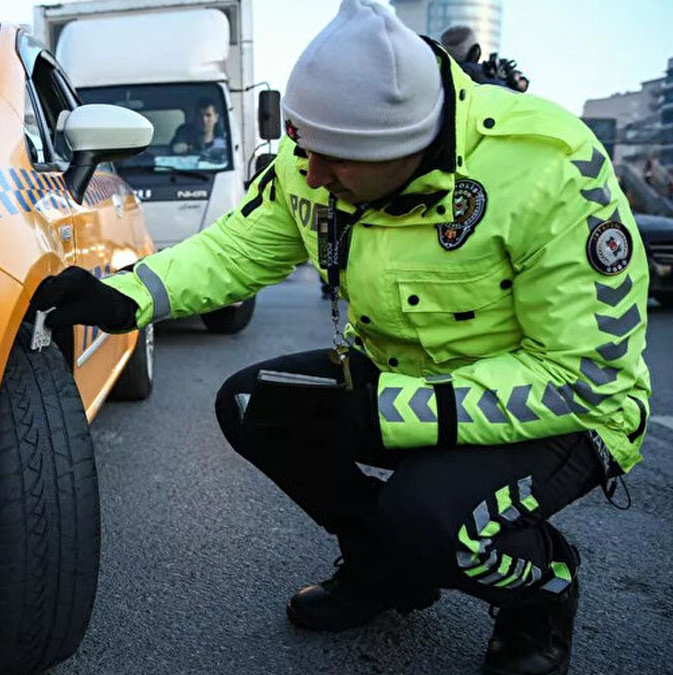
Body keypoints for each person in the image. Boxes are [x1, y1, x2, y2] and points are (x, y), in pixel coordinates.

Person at [33, 2, 651, 674]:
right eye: (304, 145)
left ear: (407, 150)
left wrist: (396, 409)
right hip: (397, 380)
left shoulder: (550, 168)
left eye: (337, 160)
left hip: (560, 416)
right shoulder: (317, 154)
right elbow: (236, 250)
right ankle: (383, 568)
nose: (314, 173)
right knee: (254, 405)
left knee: (425, 518)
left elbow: (585, 377)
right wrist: (124, 297)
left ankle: (541, 590)